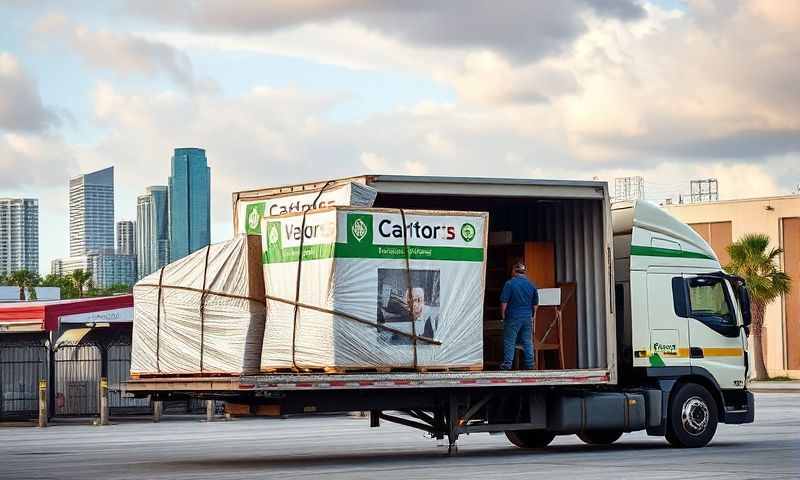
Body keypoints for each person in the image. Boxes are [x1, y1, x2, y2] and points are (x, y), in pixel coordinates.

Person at [499, 262, 539, 370]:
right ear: (524, 272)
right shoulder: (531, 284)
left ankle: (507, 365)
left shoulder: (509, 284)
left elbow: (504, 302)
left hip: (513, 317)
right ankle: (530, 365)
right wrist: (532, 316)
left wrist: (503, 316)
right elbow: (535, 304)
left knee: (510, 341)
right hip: (527, 317)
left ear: (513, 271)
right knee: (527, 341)